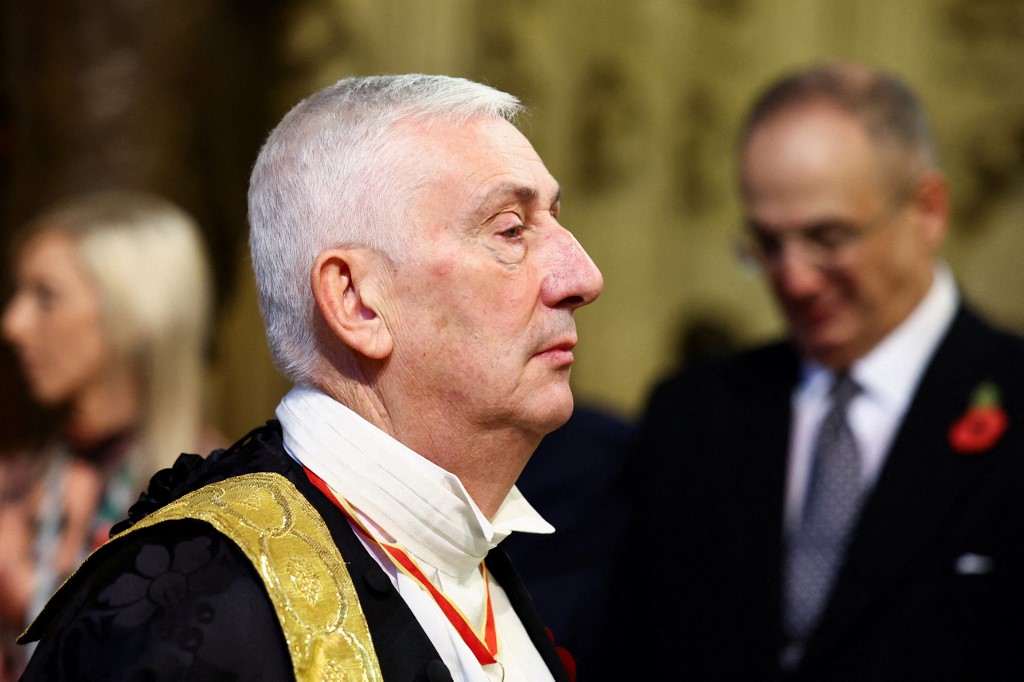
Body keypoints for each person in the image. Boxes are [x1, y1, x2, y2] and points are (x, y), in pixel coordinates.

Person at [16, 74, 603, 681]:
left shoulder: (463, 553)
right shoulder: (196, 608)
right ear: (357, 302)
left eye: (555, 221)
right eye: (511, 230)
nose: (583, 276)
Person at [620, 62, 1024, 681]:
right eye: (767, 244)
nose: (796, 279)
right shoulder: (696, 414)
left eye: (828, 238)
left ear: (928, 209)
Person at [0, 191, 222, 680]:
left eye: (46, 296)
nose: (13, 324)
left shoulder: (214, 504)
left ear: (134, 312)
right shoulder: (15, 487)